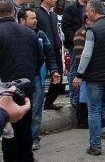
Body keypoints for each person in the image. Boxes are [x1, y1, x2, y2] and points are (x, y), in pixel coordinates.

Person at [71, 0, 105, 155]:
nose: (86, 13)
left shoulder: (92, 30)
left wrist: (79, 74)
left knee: (94, 111)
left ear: (93, 11)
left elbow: (86, 55)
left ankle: (95, 146)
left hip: (95, 78)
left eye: (87, 10)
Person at [17, 9, 61, 151]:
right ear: (22, 20)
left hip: (37, 78)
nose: (35, 21)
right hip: (16, 80)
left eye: (36, 18)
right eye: (31, 18)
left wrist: (54, 71)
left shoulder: (41, 35)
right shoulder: (14, 35)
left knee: (35, 111)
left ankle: (34, 138)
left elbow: (49, 55)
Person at [0, 0, 38, 162]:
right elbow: (39, 58)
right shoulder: (29, 33)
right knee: (25, 126)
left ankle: (12, 158)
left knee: (8, 129)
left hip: (4, 88)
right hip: (26, 86)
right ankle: (26, 157)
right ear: (14, 13)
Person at [62, 0, 93, 112]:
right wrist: (76, 39)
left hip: (90, 44)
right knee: (75, 70)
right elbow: (66, 26)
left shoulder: (91, 8)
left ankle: (83, 97)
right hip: (76, 45)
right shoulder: (71, 9)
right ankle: (74, 96)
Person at [37, 0, 64, 111]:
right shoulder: (37, 13)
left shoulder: (53, 15)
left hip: (56, 50)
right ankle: (38, 103)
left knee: (59, 77)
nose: (56, 0)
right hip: (42, 50)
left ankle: (49, 102)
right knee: (41, 78)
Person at [73, 14, 93, 129]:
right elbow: (80, 56)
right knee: (83, 97)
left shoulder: (91, 32)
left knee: (86, 96)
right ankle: (81, 120)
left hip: (88, 70)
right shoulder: (80, 34)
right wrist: (82, 72)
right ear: (87, 20)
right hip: (84, 70)